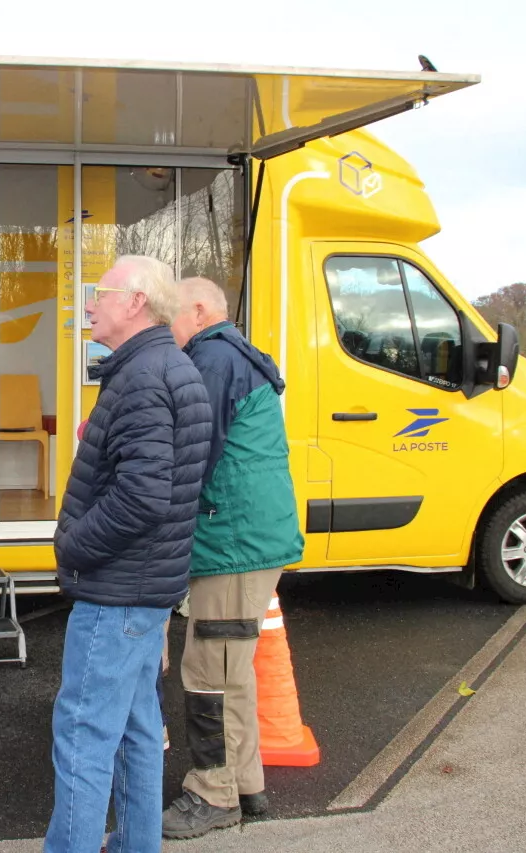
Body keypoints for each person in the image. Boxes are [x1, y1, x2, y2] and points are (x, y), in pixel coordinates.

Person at [44, 255, 212, 853]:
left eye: (99, 292)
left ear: (135, 300)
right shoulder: (169, 367)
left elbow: (142, 497)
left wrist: (73, 545)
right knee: (138, 732)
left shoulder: (143, 378)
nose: (89, 304)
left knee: (84, 736)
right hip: (147, 591)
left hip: (117, 593)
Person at [161, 276, 305, 840]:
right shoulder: (232, 354)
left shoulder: (214, 361)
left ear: (198, 311)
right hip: (248, 538)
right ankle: (245, 783)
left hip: (233, 542)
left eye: (172, 314)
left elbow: (193, 455)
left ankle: (213, 794)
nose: (166, 327)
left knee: (208, 675)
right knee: (231, 670)